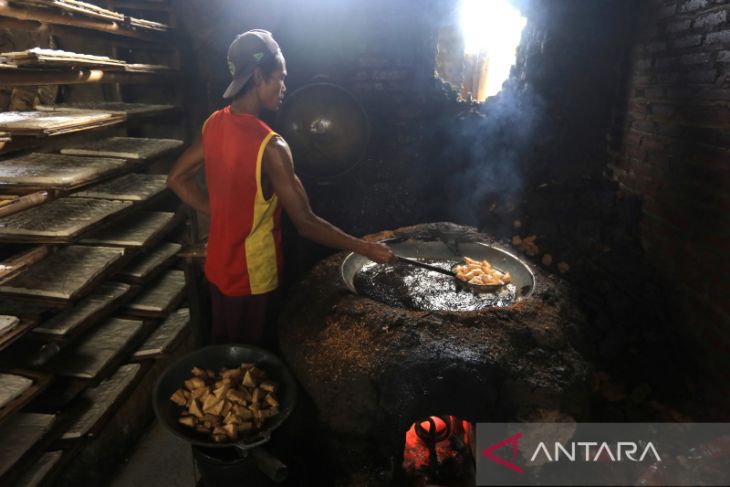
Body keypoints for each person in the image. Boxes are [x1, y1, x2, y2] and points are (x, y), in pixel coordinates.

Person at [167, 29, 396, 345]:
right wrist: (367, 248)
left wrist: (218, 212)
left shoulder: (214, 123)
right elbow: (306, 224)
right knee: (254, 364)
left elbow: (176, 178)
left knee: (227, 357)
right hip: (252, 280)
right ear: (259, 77)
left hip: (218, 270)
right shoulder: (270, 146)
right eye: (280, 77)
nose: (284, 86)